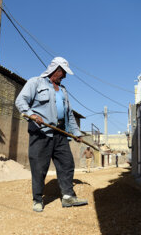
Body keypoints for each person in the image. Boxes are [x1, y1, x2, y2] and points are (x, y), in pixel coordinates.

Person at [15, 57, 88, 212]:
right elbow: (21, 101)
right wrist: (32, 115)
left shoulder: (63, 90)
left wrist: (76, 132)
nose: (65, 76)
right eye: (63, 72)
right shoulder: (35, 82)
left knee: (67, 164)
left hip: (60, 133)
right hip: (41, 132)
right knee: (39, 167)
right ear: (56, 69)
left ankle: (68, 197)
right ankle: (37, 199)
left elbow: (69, 115)